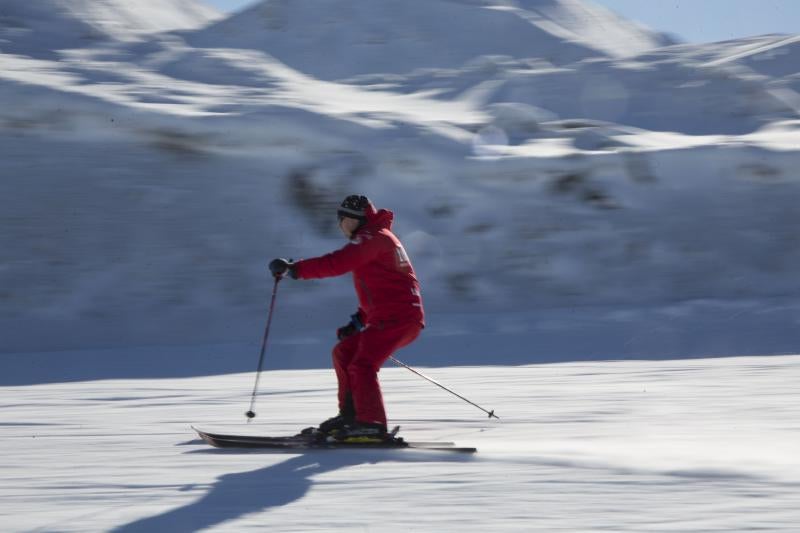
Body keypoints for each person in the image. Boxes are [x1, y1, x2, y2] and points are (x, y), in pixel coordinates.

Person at [269, 195, 425, 441]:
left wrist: (294, 269)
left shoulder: (372, 237)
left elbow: (337, 263)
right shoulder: (378, 237)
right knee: (345, 353)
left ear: (352, 219)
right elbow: (382, 289)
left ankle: (371, 425)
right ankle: (352, 416)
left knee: (362, 365)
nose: (340, 226)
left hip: (396, 318)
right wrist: (358, 322)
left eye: (341, 220)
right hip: (396, 315)